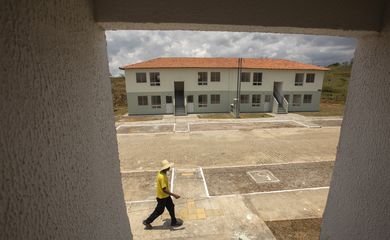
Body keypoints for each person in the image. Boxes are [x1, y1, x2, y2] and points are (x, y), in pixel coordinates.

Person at [143, 159, 182, 229]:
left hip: (165, 196)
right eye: (168, 166)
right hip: (162, 197)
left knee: (171, 207)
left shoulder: (160, 173)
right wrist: (174, 195)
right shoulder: (162, 177)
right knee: (159, 211)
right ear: (165, 168)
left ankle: (174, 221)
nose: (169, 167)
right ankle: (147, 221)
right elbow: (164, 190)